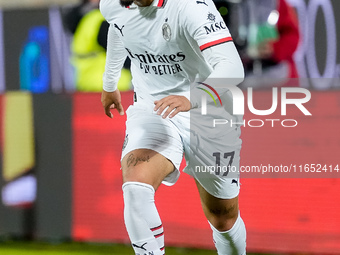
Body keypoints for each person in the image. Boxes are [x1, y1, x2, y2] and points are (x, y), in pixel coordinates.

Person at [100, 0, 246, 254]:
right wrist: (109, 83)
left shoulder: (192, 7)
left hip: (207, 111)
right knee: (136, 187)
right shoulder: (112, 4)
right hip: (153, 108)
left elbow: (232, 68)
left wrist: (192, 98)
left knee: (223, 217)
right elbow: (118, 27)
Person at [215, 0, 299, 88]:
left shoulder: (275, 3)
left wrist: (274, 48)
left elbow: (293, 35)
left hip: (277, 77)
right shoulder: (219, 5)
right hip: (241, 80)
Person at [62, 0, 132, 91]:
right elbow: (125, 56)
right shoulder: (102, 22)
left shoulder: (88, 19)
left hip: (87, 86)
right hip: (110, 88)